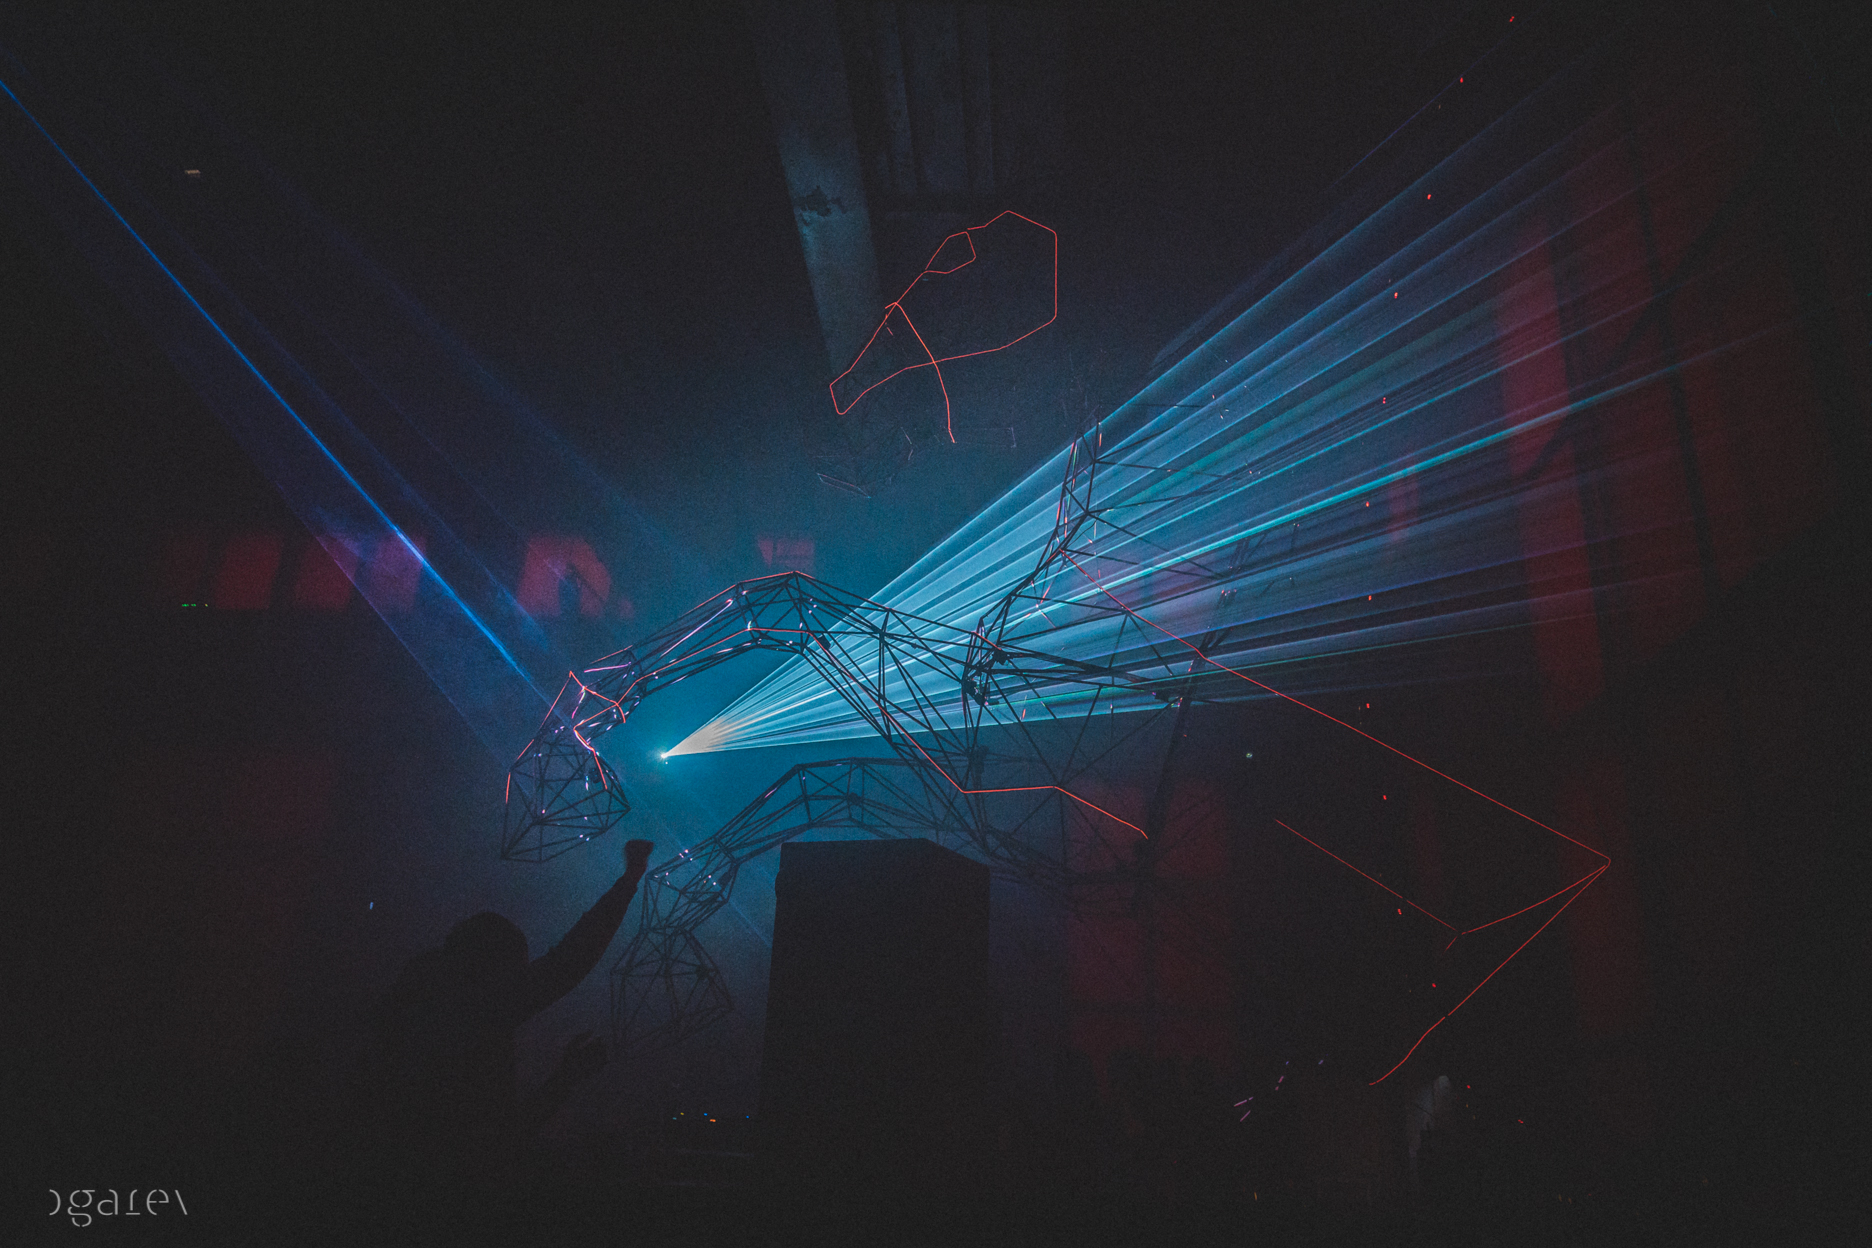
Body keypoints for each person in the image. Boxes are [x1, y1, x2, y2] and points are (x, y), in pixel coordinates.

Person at [356, 837, 655, 1193]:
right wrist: (630, 879)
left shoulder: (406, 1008)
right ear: (490, 966)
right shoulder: (474, 1007)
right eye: (517, 971)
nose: (523, 980)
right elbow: (569, 961)